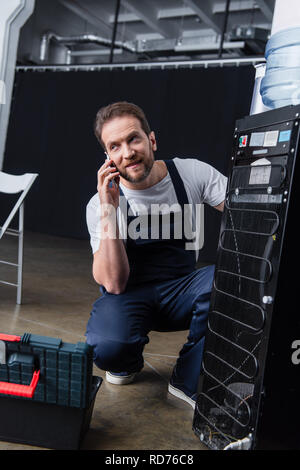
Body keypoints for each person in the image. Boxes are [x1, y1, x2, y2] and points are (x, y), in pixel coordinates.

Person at [85, 101, 227, 409]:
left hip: (183, 292)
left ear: (151, 140)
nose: (128, 152)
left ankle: (188, 378)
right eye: (115, 146)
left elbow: (246, 213)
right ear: (108, 157)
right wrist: (109, 209)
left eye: (133, 139)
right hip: (130, 297)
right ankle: (125, 360)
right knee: (109, 347)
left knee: (227, 281)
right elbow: (114, 284)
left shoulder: (189, 173)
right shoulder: (100, 205)